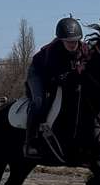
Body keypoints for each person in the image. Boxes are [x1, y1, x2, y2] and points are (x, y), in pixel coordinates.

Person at [24, 17, 89, 158]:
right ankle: (31, 142)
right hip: (39, 74)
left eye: (75, 41)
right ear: (61, 40)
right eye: (68, 41)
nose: (72, 44)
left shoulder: (85, 49)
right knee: (39, 102)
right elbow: (56, 78)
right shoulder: (53, 52)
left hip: (61, 75)